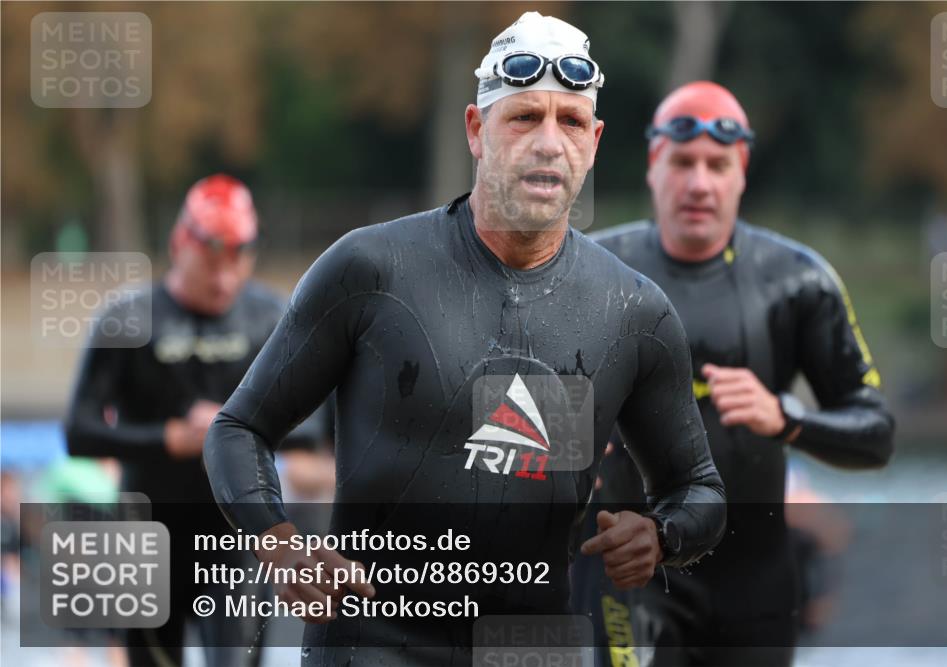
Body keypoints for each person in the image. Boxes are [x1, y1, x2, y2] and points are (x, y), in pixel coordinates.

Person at [203, 12, 726, 667]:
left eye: (569, 122)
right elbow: (238, 428)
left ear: (593, 142)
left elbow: (699, 487)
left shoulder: (633, 312)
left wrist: (661, 533)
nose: (547, 141)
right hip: (372, 643)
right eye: (523, 117)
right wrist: (280, 542)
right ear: (477, 131)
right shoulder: (370, 271)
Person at [583, 81, 895, 666]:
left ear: (742, 171)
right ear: (653, 166)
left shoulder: (797, 282)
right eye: (682, 162)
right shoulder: (592, 271)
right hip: (631, 574)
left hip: (755, 588)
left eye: (717, 164)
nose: (699, 182)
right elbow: (504, 404)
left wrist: (786, 418)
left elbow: (876, 433)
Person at [64, 174, 321, 667]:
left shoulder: (271, 318)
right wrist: (170, 438)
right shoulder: (129, 319)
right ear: (179, 244)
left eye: (237, 262)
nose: (224, 279)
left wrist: (235, 430)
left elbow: (310, 431)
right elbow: (79, 432)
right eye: (211, 263)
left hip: (237, 542)